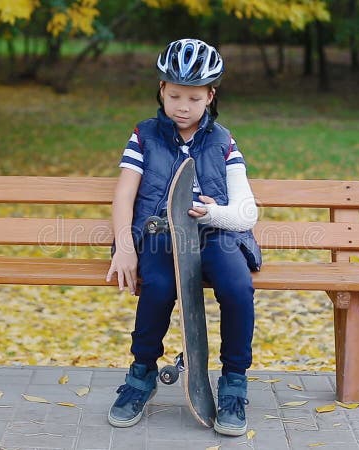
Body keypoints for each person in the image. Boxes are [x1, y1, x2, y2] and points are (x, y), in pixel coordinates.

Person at [104, 38, 262, 436]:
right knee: (157, 285)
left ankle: (234, 383)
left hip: (214, 234)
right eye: (174, 95)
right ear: (161, 90)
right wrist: (124, 247)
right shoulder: (144, 136)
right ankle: (141, 375)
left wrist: (215, 213)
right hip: (159, 235)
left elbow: (246, 210)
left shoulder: (223, 141)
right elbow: (124, 193)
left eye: (193, 98)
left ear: (210, 96)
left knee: (238, 286)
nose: (182, 106)